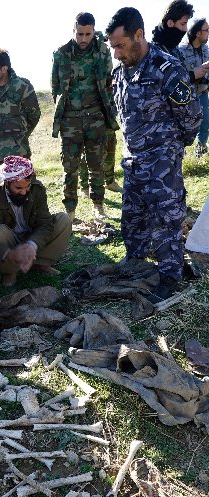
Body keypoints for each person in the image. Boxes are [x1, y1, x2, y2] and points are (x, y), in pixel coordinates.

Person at [106, 7, 201, 302]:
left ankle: (170, 274)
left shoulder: (167, 69)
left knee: (166, 219)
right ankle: (135, 262)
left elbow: (192, 116)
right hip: (133, 159)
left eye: (120, 46)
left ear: (138, 35)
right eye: (112, 48)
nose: (117, 54)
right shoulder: (119, 72)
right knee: (132, 217)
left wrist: (170, 148)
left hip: (162, 161)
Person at [51, 12, 119, 222]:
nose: (83, 39)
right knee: (70, 167)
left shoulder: (102, 51)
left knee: (96, 165)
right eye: (80, 34)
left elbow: (108, 82)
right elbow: (55, 87)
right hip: (70, 119)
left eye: (87, 34)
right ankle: (70, 210)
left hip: (96, 117)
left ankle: (98, 206)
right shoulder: (61, 54)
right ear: (74, 31)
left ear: (93, 31)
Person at [0, 156, 72, 287]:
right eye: (18, 188)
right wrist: (8, 253)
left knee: (63, 220)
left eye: (27, 187)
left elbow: (45, 223)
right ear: (7, 184)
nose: (24, 192)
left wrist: (32, 245)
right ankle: (9, 271)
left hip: (31, 236)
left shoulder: (37, 191)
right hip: (9, 241)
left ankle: (40, 264)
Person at [0, 48, 41, 173]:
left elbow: (34, 115)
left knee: (23, 188)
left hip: (18, 151)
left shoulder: (22, 86)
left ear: (4, 69)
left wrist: (19, 134)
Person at [179, 18, 209, 157]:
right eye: (206, 30)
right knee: (183, 127)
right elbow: (177, 76)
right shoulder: (181, 51)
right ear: (197, 33)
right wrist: (196, 72)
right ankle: (180, 155)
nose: (208, 33)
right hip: (186, 96)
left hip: (202, 93)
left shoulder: (206, 50)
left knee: (205, 123)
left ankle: (200, 153)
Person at [78, 131, 123, 198]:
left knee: (110, 150)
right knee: (87, 155)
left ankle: (110, 182)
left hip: (108, 124)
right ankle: (85, 187)